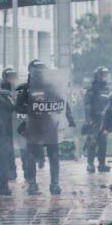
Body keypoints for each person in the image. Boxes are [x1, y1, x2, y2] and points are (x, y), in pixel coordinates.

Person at [16, 59, 74, 195]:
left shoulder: (51, 87)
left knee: (54, 156)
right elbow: (18, 108)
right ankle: (32, 184)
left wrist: (69, 120)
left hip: (50, 125)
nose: (39, 74)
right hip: (33, 126)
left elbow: (62, 103)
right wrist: (29, 108)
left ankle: (55, 184)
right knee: (31, 157)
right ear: (30, 72)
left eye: (42, 71)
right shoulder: (25, 89)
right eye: (36, 71)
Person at [84, 66, 112, 174]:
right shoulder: (92, 89)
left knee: (103, 142)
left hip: (104, 120)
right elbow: (87, 105)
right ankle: (90, 163)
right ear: (97, 76)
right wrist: (88, 119)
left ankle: (102, 163)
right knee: (92, 141)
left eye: (106, 75)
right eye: (103, 75)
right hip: (94, 119)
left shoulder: (108, 89)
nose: (105, 77)